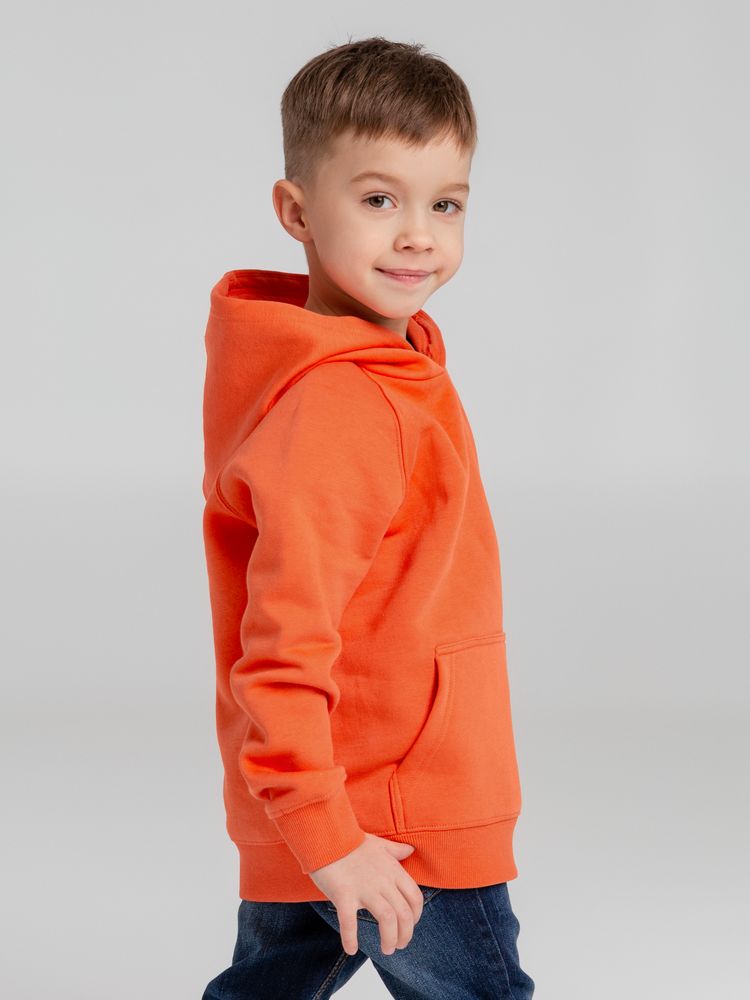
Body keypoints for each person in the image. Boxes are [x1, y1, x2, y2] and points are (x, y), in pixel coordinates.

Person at [200, 35, 535, 999]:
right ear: (297, 212)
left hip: (326, 810)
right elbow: (281, 645)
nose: (419, 235)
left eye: (446, 204)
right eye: (380, 200)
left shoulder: (373, 370)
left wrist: (309, 826)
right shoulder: (345, 404)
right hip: (391, 820)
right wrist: (331, 836)